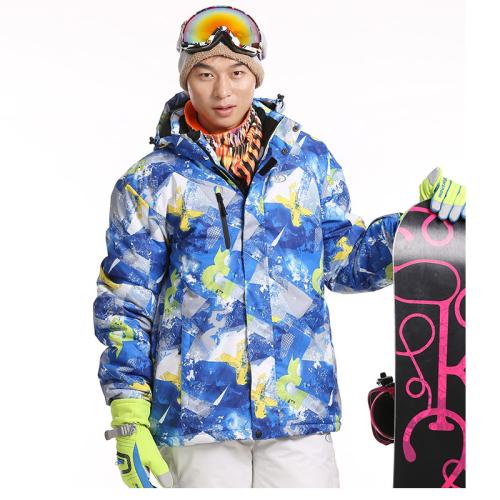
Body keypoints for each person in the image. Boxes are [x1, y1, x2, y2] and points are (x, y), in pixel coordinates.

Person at [93, 5, 466, 488]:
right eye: (205, 74)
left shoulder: (306, 162)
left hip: (297, 412)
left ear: (256, 75)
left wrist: (418, 229)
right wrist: (127, 408)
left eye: (237, 72)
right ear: (186, 79)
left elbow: (342, 261)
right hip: (197, 420)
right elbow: (126, 299)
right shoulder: (152, 181)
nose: (222, 91)